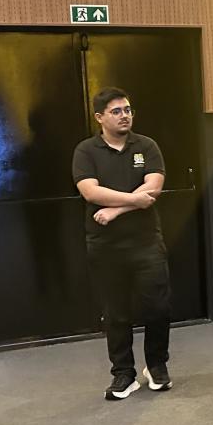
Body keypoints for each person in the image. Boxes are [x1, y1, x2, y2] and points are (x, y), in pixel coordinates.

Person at [72, 87, 173, 400]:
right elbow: (90, 192)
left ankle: (156, 366)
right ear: (100, 117)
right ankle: (123, 374)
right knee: (116, 313)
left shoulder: (146, 145)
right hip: (106, 246)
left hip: (146, 242)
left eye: (127, 109)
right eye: (116, 111)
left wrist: (116, 210)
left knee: (157, 307)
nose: (124, 115)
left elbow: (153, 186)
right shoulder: (86, 151)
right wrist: (134, 200)